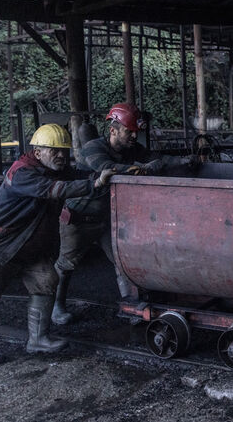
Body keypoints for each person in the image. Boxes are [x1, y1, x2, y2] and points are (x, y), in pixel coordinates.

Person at [0, 123, 116, 366]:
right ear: (38, 153)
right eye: (54, 151)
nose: (61, 156)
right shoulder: (22, 172)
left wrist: (109, 172)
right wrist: (96, 183)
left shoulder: (56, 169)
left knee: (47, 282)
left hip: (32, 248)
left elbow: (77, 175)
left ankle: (38, 339)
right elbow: (55, 190)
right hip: (0, 245)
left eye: (64, 151)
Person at [52, 102, 195, 324]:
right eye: (129, 131)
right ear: (113, 130)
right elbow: (108, 170)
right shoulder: (92, 148)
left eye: (135, 132)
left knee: (122, 259)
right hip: (79, 218)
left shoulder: (131, 149)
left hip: (107, 219)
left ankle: (132, 308)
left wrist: (185, 161)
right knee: (66, 264)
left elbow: (157, 159)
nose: (133, 137)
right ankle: (56, 306)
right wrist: (145, 169)